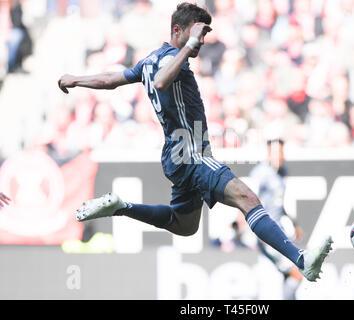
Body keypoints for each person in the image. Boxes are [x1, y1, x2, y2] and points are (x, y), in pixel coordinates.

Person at [58, 2, 332, 282]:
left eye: (203, 37)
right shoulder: (169, 60)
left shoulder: (150, 60)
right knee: (247, 198)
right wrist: (188, 46)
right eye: (196, 34)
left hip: (176, 156)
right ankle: (301, 258)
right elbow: (163, 82)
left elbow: (112, 79)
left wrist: (77, 79)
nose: (200, 42)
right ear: (177, 31)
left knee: (184, 226)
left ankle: (121, 207)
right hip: (192, 154)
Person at [249, 138, 304, 299]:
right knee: (296, 274)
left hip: (279, 232)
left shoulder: (281, 172)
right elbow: (247, 200)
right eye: (274, 152)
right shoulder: (260, 173)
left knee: (285, 276)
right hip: (268, 234)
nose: (278, 156)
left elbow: (280, 202)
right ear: (268, 154)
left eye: (280, 152)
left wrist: (294, 223)